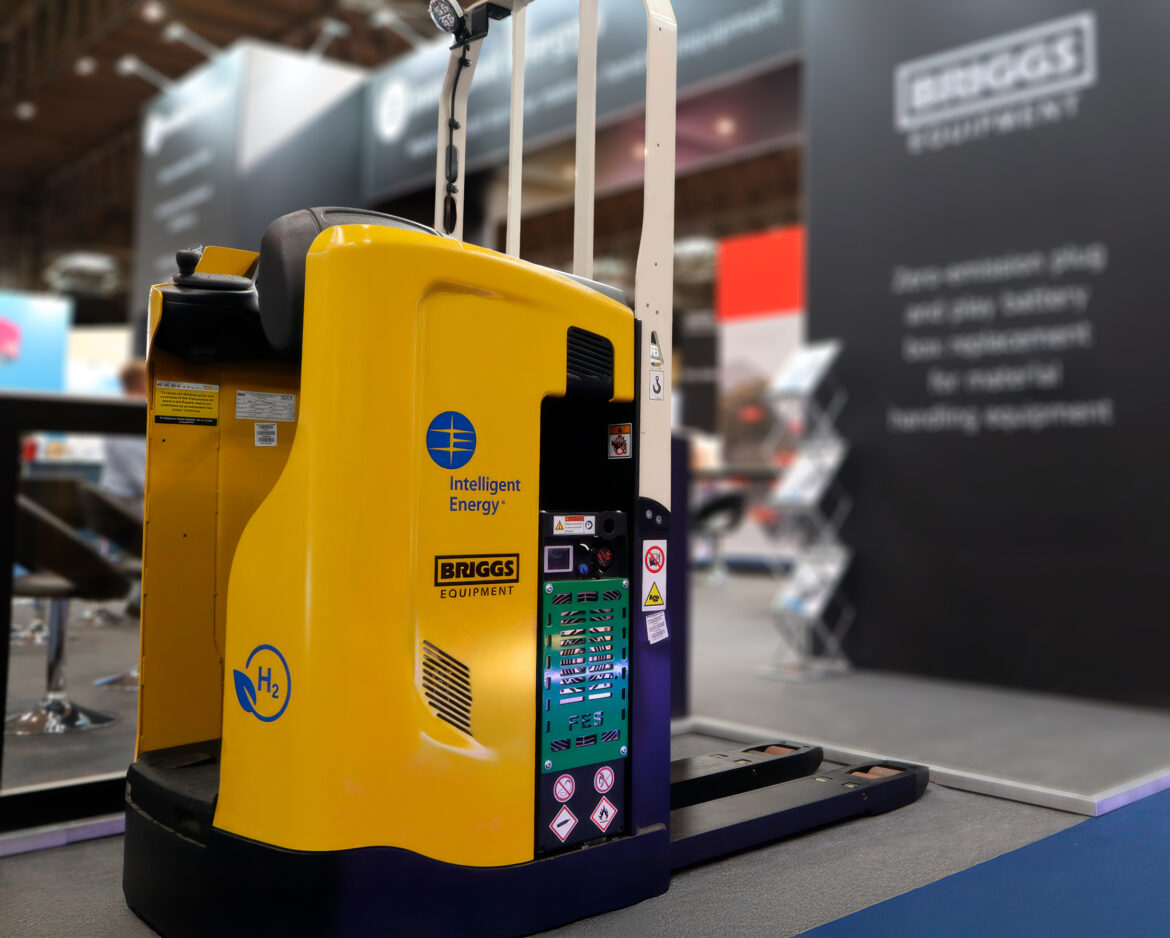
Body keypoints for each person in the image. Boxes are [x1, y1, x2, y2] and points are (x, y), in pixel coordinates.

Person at [102, 359, 148, 512]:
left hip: (124, 500)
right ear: (143, 385)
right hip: (124, 506)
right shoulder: (129, 418)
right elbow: (142, 478)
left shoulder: (123, 413)